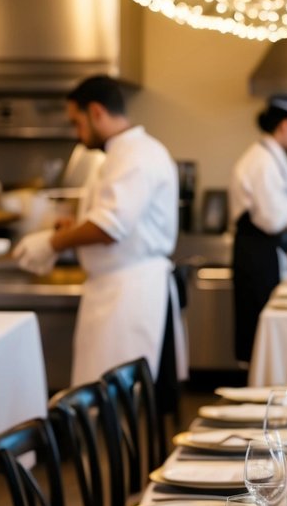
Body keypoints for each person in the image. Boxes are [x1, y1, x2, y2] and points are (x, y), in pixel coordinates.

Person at [12, 75, 187, 391]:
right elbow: (109, 217)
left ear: (96, 112)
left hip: (128, 293)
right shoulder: (119, 154)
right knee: (100, 400)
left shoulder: (136, 155)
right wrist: (72, 228)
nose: (77, 135)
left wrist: (50, 243)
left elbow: (109, 227)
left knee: (112, 403)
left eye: (76, 122)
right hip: (113, 289)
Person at [229, 97, 287, 363]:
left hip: (267, 250)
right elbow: (272, 218)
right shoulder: (261, 161)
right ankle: (258, 389)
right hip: (256, 253)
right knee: (257, 324)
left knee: (264, 323)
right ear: (285, 126)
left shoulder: (272, 157)